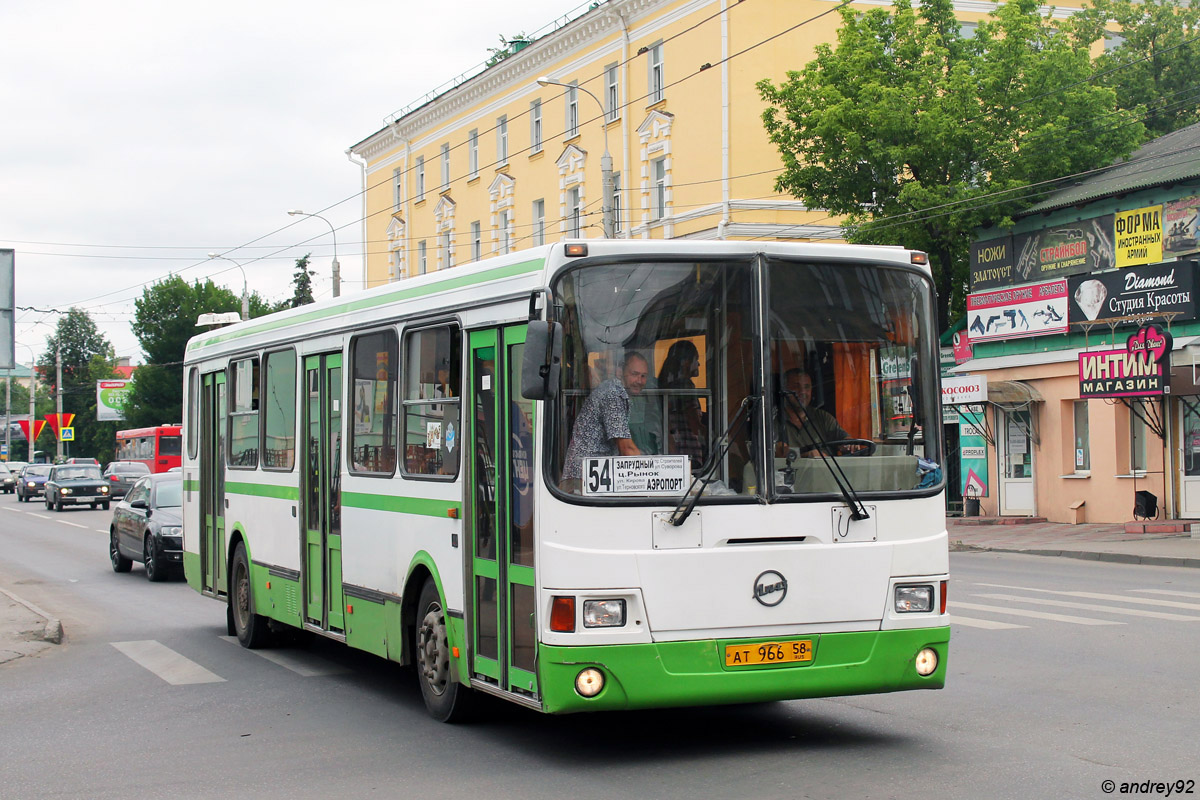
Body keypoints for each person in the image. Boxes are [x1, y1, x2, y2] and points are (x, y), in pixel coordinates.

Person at [562, 351, 649, 483]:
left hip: (597, 473)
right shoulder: (612, 395)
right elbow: (626, 449)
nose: (639, 381)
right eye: (635, 374)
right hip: (583, 478)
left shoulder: (620, 392)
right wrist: (653, 474)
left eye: (643, 376)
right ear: (620, 372)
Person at [657, 340, 706, 466]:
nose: (699, 364)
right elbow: (693, 422)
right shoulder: (685, 385)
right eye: (696, 359)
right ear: (685, 362)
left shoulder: (666, 384)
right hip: (687, 447)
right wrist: (710, 435)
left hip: (675, 446)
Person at [779, 368, 849, 456]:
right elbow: (779, 452)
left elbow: (844, 439)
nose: (803, 391)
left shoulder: (823, 418)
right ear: (785, 390)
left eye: (807, 387)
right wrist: (808, 455)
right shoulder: (772, 420)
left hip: (828, 470)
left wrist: (848, 445)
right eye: (796, 386)